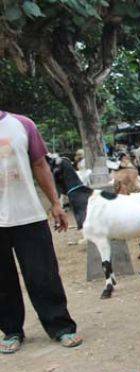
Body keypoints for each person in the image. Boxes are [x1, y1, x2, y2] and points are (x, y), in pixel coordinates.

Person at [0, 110, 83, 354]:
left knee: (43, 274)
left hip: (28, 213)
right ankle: (11, 330)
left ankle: (60, 326)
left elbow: (39, 164)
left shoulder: (22, 124)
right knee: (1, 280)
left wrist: (56, 203)